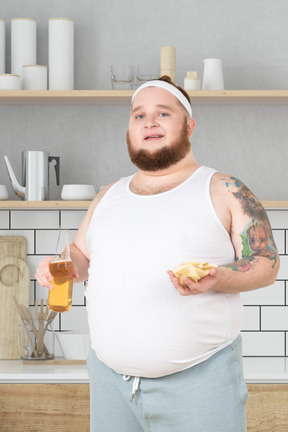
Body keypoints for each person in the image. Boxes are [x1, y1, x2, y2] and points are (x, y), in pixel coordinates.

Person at [36, 76, 280, 432]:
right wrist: (60, 266)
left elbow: (265, 262)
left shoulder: (224, 189)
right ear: (128, 133)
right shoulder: (108, 196)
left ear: (189, 126)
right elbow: (80, 257)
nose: (149, 122)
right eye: (139, 116)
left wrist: (219, 278)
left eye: (163, 113)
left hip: (200, 388)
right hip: (110, 386)